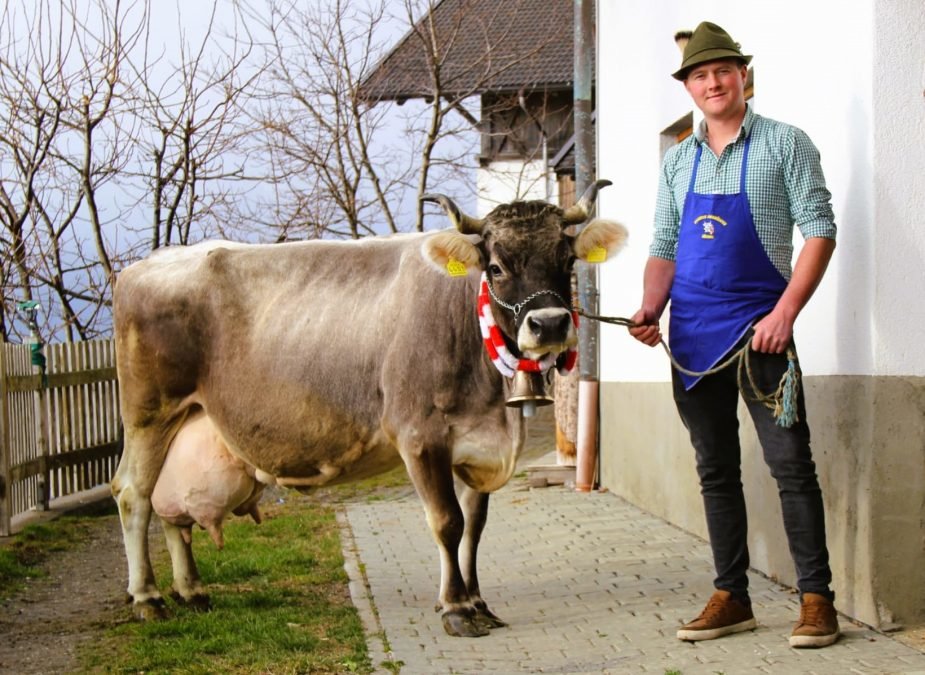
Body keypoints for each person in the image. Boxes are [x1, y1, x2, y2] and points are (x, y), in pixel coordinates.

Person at [628, 21, 839, 648]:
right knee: (715, 470)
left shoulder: (785, 144)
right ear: (690, 87)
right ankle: (732, 595)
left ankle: (817, 599)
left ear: (743, 76)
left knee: (790, 466)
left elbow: (820, 231)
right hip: (690, 339)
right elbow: (665, 246)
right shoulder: (678, 162)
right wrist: (648, 308)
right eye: (700, 74)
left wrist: (785, 315)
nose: (713, 82)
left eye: (723, 70)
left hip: (762, 337)